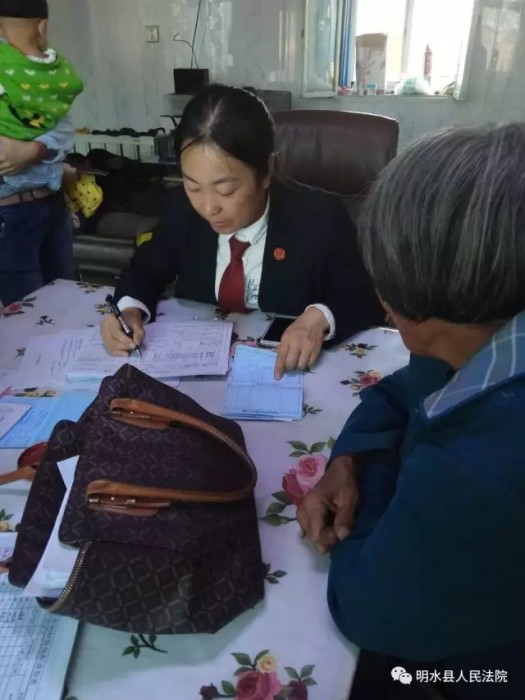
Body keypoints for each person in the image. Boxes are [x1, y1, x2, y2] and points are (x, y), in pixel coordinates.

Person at [298, 124, 525, 699]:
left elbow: (368, 609)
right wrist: (349, 459)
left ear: (401, 310)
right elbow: (401, 391)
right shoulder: (487, 335)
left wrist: (373, 474)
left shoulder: (479, 467)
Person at [101, 84, 383, 378]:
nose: (208, 208)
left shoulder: (319, 216)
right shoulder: (181, 209)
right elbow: (145, 270)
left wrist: (319, 318)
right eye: (193, 186)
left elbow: (362, 295)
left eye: (226, 190)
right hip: (197, 374)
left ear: (267, 171)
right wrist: (128, 310)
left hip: (284, 373)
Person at [0, 0, 83, 306]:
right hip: (10, 214)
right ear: (43, 27)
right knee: (26, 311)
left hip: (52, 203)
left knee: (66, 299)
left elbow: (64, 130)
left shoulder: (39, 78)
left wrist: (33, 149)